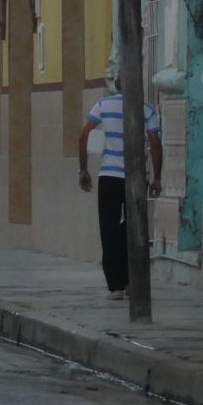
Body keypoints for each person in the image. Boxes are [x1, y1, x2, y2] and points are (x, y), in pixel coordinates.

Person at [78, 75, 163, 300]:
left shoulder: (103, 104)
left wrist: (83, 169)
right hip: (135, 179)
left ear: (116, 85)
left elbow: (84, 135)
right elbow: (155, 144)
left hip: (109, 177)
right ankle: (131, 282)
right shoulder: (146, 109)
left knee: (109, 230)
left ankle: (115, 287)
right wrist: (157, 178)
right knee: (134, 231)